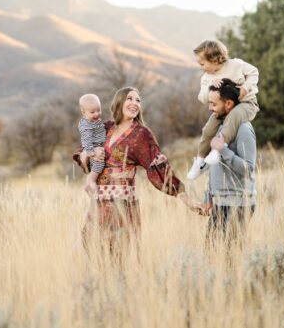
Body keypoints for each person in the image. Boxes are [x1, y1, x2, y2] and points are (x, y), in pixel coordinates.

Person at [75, 87, 202, 258]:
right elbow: (84, 150)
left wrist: (186, 199)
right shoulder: (105, 127)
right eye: (130, 98)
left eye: (138, 100)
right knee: (90, 253)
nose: (135, 103)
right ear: (119, 102)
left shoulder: (141, 134)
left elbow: (160, 167)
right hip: (98, 202)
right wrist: (86, 156)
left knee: (119, 256)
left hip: (122, 204)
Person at [187, 39, 260, 180]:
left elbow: (254, 72)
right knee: (208, 129)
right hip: (223, 110)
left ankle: (217, 150)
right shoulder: (207, 78)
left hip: (247, 103)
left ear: (214, 60)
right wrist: (209, 87)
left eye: (202, 64)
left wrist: (245, 87)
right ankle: (200, 161)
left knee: (234, 116)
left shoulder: (236, 65)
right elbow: (202, 98)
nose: (201, 68)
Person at [200, 79, 257, 251]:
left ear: (229, 104)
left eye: (213, 104)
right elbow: (215, 166)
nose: (210, 108)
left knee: (230, 259)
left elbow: (248, 169)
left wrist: (224, 150)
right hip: (221, 203)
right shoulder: (221, 126)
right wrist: (209, 196)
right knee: (212, 254)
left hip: (239, 204)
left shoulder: (244, 129)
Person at [77, 93, 106, 175]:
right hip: (94, 148)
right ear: (83, 113)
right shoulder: (86, 125)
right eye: (92, 112)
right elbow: (86, 139)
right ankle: (92, 179)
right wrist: (91, 152)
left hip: (99, 145)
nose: (96, 114)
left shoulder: (93, 120)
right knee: (99, 163)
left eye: (98, 110)